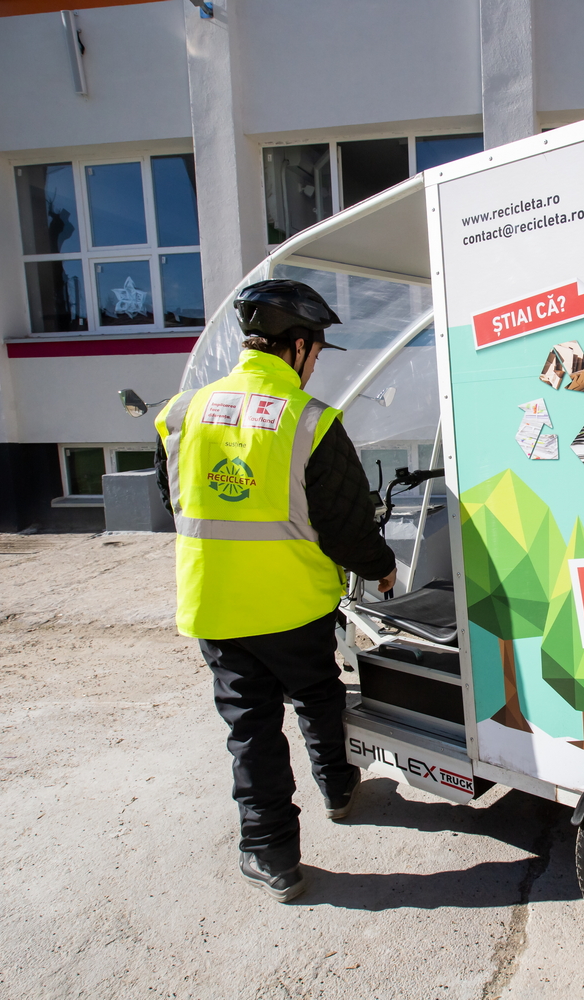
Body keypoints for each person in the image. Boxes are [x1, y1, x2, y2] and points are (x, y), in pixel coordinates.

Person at [153, 279, 396, 902]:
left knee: (251, 729)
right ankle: (338, 788)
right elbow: (346, 524)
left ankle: (272, 857)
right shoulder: (310, 421)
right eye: (315, 352)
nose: (315, 366)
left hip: (216, 606)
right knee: (318, 696)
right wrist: (381, 566)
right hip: (295, 606)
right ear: (298, 346)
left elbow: (173, 499)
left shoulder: (181, 412)